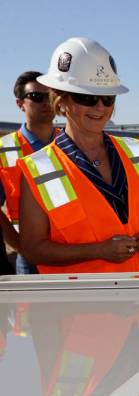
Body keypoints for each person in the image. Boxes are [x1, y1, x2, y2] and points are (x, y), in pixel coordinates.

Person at [17, 37, 139, 274]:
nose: (100, 107)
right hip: (85, 305)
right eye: (87, 98)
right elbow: (33, 249)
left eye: (107, 98)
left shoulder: (136, 151)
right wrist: (98, 251)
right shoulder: (39, 169)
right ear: (61, 100)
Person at [0, 72, 59, 274]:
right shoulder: (3, 150)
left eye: (51, 95)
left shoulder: (71, 144)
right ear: (20, 104)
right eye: (36, 97)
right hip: (30, 260)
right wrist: (20, 245)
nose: (46, 102)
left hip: (74, 250)